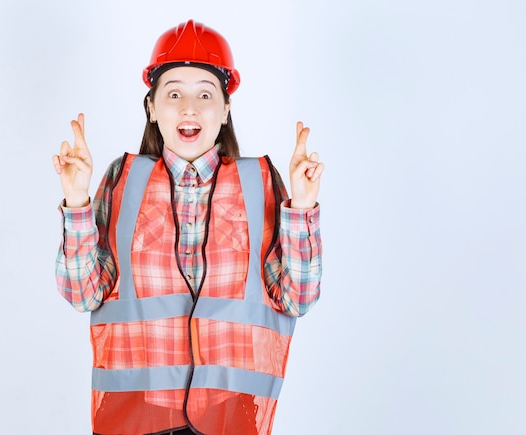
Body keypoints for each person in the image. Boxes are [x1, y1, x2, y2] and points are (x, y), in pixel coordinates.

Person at [53, 19, 324, 435]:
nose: (189, 108)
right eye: (173, 93)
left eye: (204, 94)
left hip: (231, 415)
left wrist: (302, 206)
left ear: (226, 108)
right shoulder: (122, 180)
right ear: (152, 107)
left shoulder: (259, 182)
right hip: (137, 416)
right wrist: (76, 201)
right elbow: (83, 294)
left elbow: (297, 299)